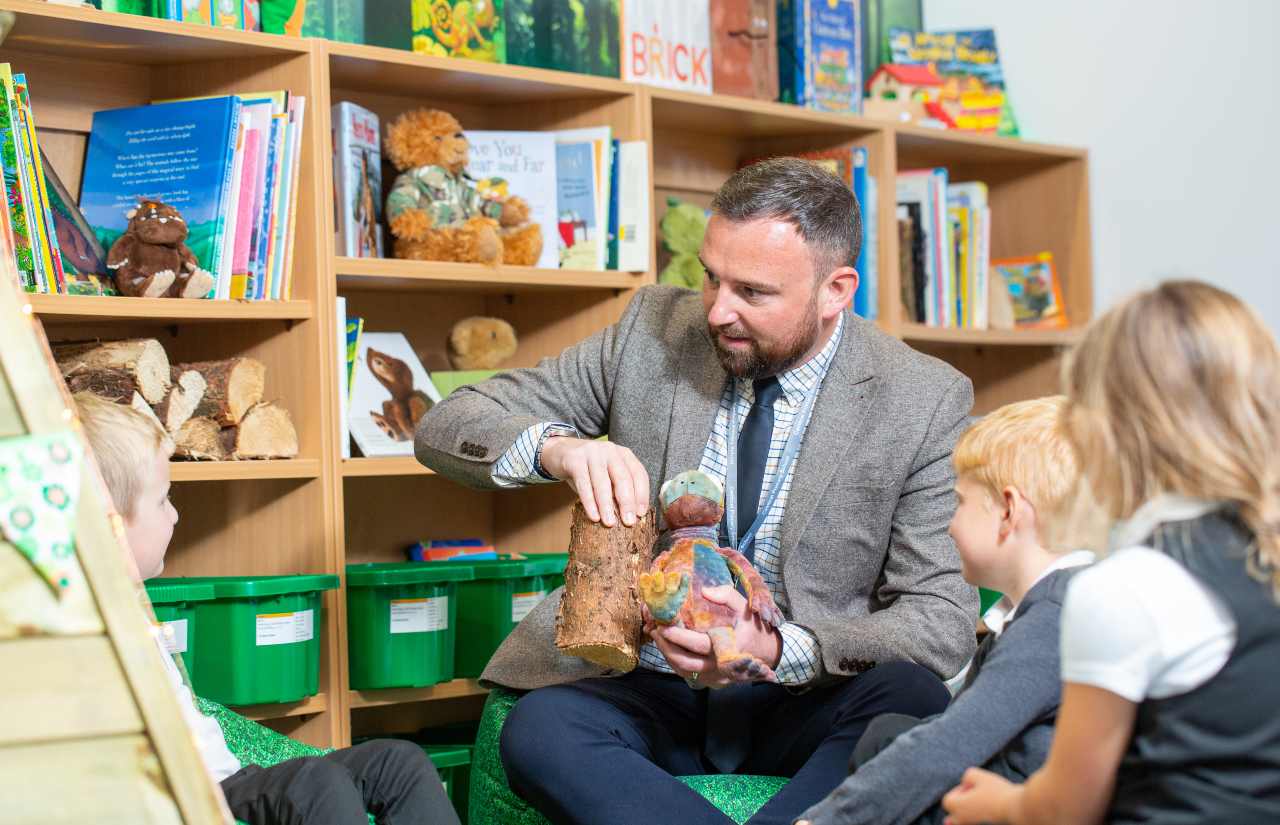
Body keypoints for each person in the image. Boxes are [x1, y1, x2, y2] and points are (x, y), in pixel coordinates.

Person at [416, 157, 979, 825]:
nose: (717, 310)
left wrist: (777, 646)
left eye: (752, 291)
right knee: (538, 728)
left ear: (836, 290)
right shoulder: (651, 328)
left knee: (913, 698)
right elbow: (446, 423)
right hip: (646, 682)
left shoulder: (921, 397)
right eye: (710, 276)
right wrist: (556, 447)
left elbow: (941, 620)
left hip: (803, 692)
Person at [941, 280, 1280, 825]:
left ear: (1104, 425)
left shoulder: (1128, 587)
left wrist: (999, 806)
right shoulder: (1257, 550)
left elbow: (1062, 810)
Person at [73, 391, 460, 825]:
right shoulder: (84, 624)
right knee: (314, 785)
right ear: (106, 521)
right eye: (163, 500)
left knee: (398, 763)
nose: (176, 516)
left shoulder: (130, 604)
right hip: (188, 796)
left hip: (231, 777)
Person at [794, 396, 1092, 825]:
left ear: (1008, 512)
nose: (949, 524)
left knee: (909, 746)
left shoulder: (1056, 617)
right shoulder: (1047, 610)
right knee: (889, 735)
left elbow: (954, 744)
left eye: (960, 503)